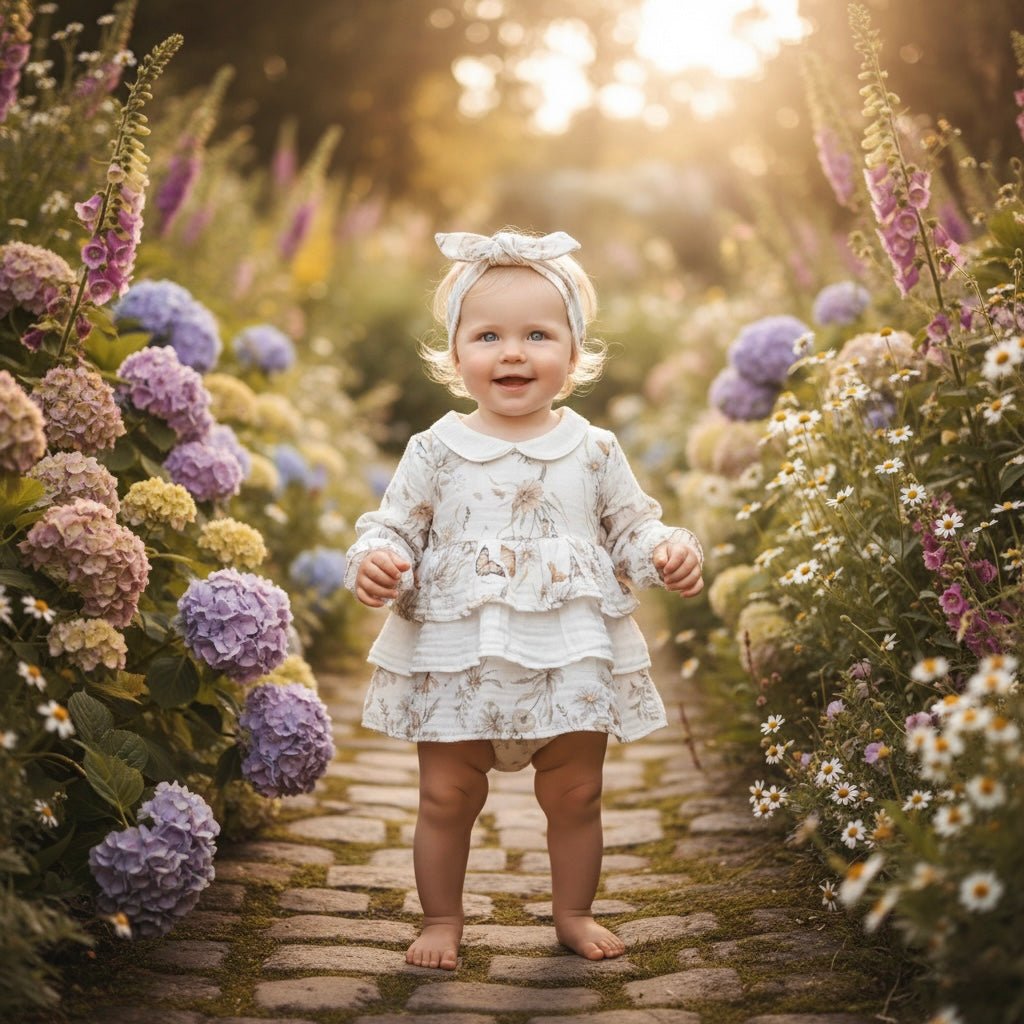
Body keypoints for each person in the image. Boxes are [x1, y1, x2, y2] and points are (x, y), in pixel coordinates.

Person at [344, 229, 704, 971]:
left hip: (566, 654)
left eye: (538, 334)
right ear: (455, 353)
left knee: (577, 793)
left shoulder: (594, 448)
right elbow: (395, 525)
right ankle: (443, 918)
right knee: (446, 796)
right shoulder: (435, 449)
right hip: (457, 656)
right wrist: (380, 559)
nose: (513, 352)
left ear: (574, 354)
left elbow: (630, 526)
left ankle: (572, 911)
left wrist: (662, 554)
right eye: (488, 335)